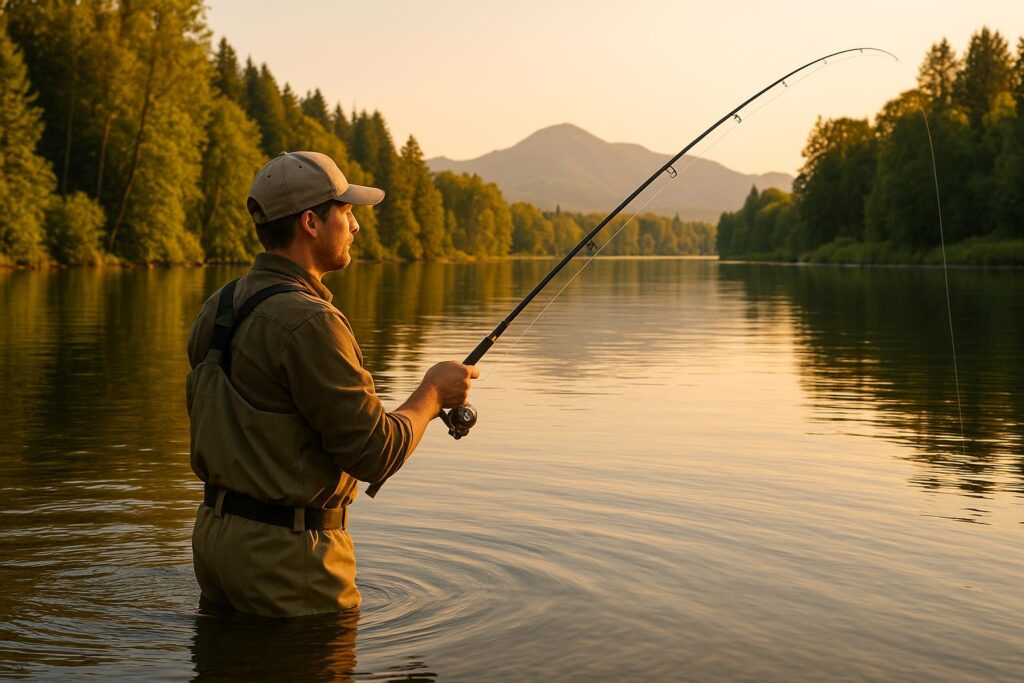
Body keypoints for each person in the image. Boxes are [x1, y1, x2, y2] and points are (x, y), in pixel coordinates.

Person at [186, 151, 478, 617]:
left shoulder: (218, 306)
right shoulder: (312, 323)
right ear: (311, 223)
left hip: (216, 545)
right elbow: (374, 453)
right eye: (346, 211)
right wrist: (433, 394)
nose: (356, 226)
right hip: (289, 561)